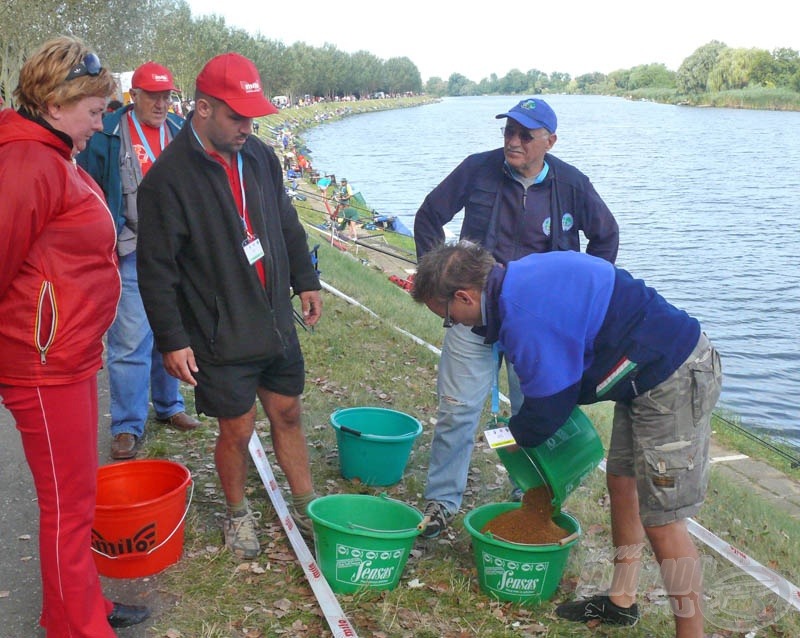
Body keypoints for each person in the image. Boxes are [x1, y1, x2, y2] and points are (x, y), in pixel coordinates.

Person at [412, 241, 722, 637]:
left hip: (674, 373)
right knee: (622, 481)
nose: (456, 326)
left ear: (465, 297)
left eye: (449, 318)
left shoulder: (523, 312)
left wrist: (504, 440)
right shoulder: (515, 282)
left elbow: (547, 412)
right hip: (638, 375)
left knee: (664, 520)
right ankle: (622, 601)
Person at [136, 52, 323, 560]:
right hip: (219, 328)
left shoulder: (261, 156)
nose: (247, 126)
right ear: (201, 108)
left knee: (288, 412)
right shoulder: (166, 181)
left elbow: (286, 222)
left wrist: (306, 279)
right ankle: (237, 514)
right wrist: (173, 340)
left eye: (252, 115)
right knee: (237, 429)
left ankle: (308, 509)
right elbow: (156, 269)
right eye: (236, 115)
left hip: (274, 320)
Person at [413, 97, 619, 538]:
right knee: (457, 409)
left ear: (550, 141)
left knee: (536, 409)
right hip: (474, 315)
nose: (513, 141)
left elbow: (606, 237)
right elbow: (429, 215)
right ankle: (441, 502)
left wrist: (580, 308)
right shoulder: (477, 169)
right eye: (508, 131)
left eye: (525, 134)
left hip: (538, 326)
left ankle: (529, 498)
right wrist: (440, 283)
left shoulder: (573, 184)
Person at [0, 35, 150, 635]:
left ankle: (79, 604)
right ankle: (76, 626)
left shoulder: (52, 153)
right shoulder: (26, 163)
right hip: (41, 363)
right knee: (67, 505)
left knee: (77, 496)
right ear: (55, 104)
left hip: (68, 355)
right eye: (93, 110)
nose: (100, 122)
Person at [78, 61, 200, 461]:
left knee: (172, 331)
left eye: (167, 96)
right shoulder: (109, 133)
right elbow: (88, 188)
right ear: (136, 96)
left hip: (176, 254)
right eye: (154, 95)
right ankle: (128, 425)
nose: (162, 103)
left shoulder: (183, 131)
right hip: (130, 249)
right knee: (130, 340)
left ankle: (169, 407)